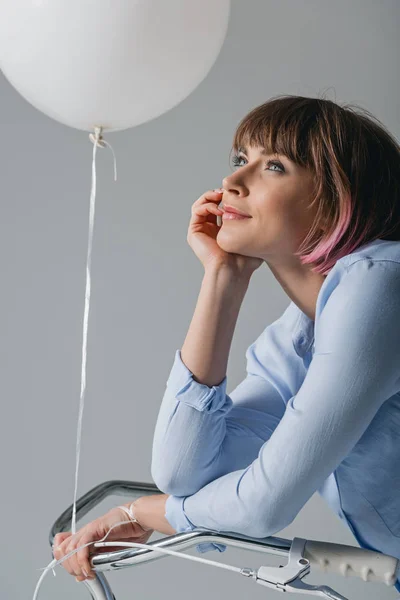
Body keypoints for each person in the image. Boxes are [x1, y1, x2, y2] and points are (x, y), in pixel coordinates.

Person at [54, 95, 400, 591]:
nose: (233, 183)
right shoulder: (299, 334)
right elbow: (184, 471)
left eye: (274, 166)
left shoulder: (380, 285)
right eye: (241, 160)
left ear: (336, 200)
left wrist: (142, 513)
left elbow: (264, 504)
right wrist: (223, 279)